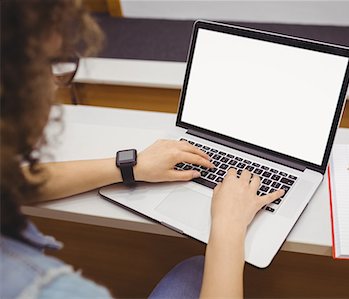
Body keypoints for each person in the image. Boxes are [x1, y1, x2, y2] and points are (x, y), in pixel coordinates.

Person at [0, 1, 284, 298]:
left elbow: (10, 183)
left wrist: (129, 166)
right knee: (200, 270)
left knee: (197, 269)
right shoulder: (47, 289)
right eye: (48, 65)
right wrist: (228, 227)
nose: (55, 84)